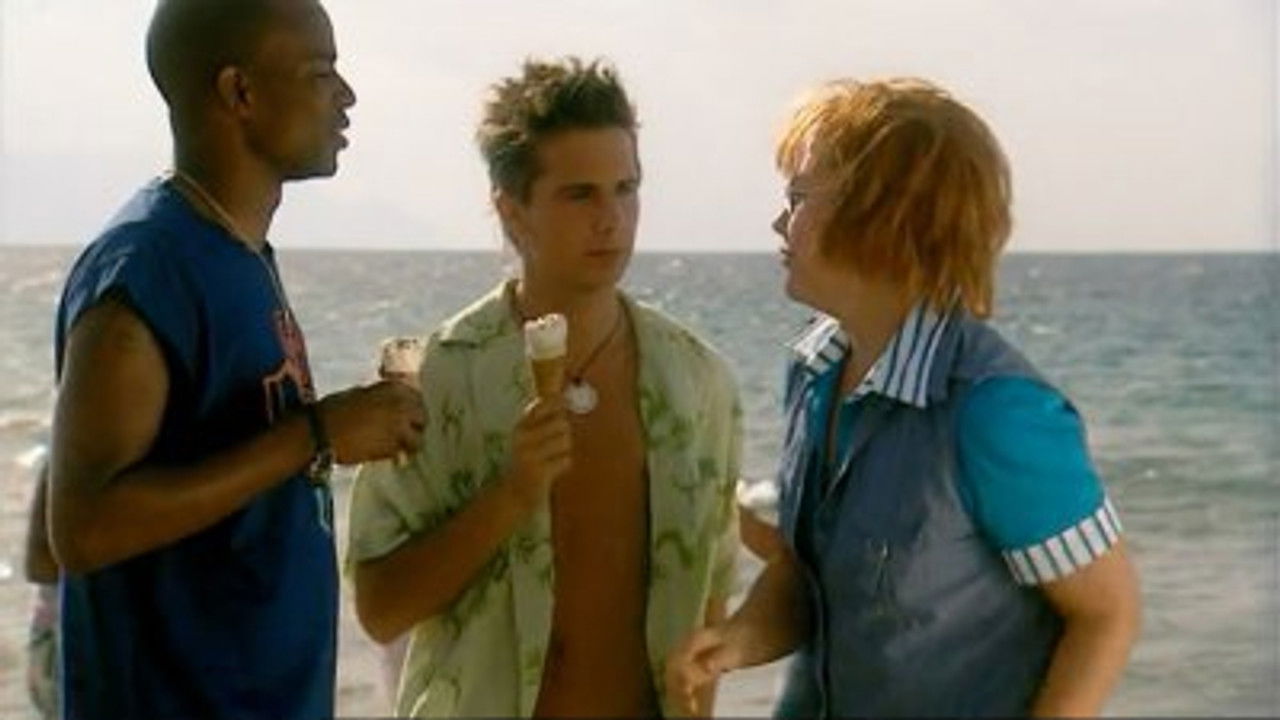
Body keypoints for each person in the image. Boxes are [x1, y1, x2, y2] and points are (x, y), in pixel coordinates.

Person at [666, 78, 1142, 717]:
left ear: (881, 217)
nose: (779, 222)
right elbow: (809, 575)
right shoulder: (815, 370)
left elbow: (1107, 615)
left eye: (798, 198)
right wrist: (737, 642)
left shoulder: (996, 411)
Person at [47, 1, 425, 717]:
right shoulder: (147, 266)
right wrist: (318, 434)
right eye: (321, 73)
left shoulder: (237, 253)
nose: (346, 96)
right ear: (239, 92)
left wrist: (337, 431)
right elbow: (85, 529)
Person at [347, 57, 742, 717]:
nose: (611, 218)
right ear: (512, 212)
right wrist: (512, 496)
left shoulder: (698, 381)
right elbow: (381, 609)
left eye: (626, 188)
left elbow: (712, 599)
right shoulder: (437, 380)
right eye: (579, 194)